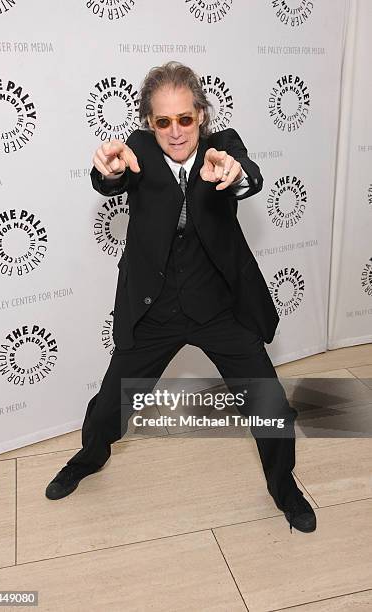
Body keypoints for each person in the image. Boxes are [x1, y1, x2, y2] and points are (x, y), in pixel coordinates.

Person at [45, 61, 316, 533]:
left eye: (185, 119)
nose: (174, 132)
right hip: (155, 307)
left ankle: (284, 486)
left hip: (219, 307)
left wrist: (233, 174)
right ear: (149, 122)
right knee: (112, 404)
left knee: (269, 403)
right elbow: (113, 177)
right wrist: (107, 174)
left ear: (201, 116)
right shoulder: (137, 150)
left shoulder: (222, 146)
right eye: (162, 121)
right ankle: (88, 459)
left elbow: (247, 175)